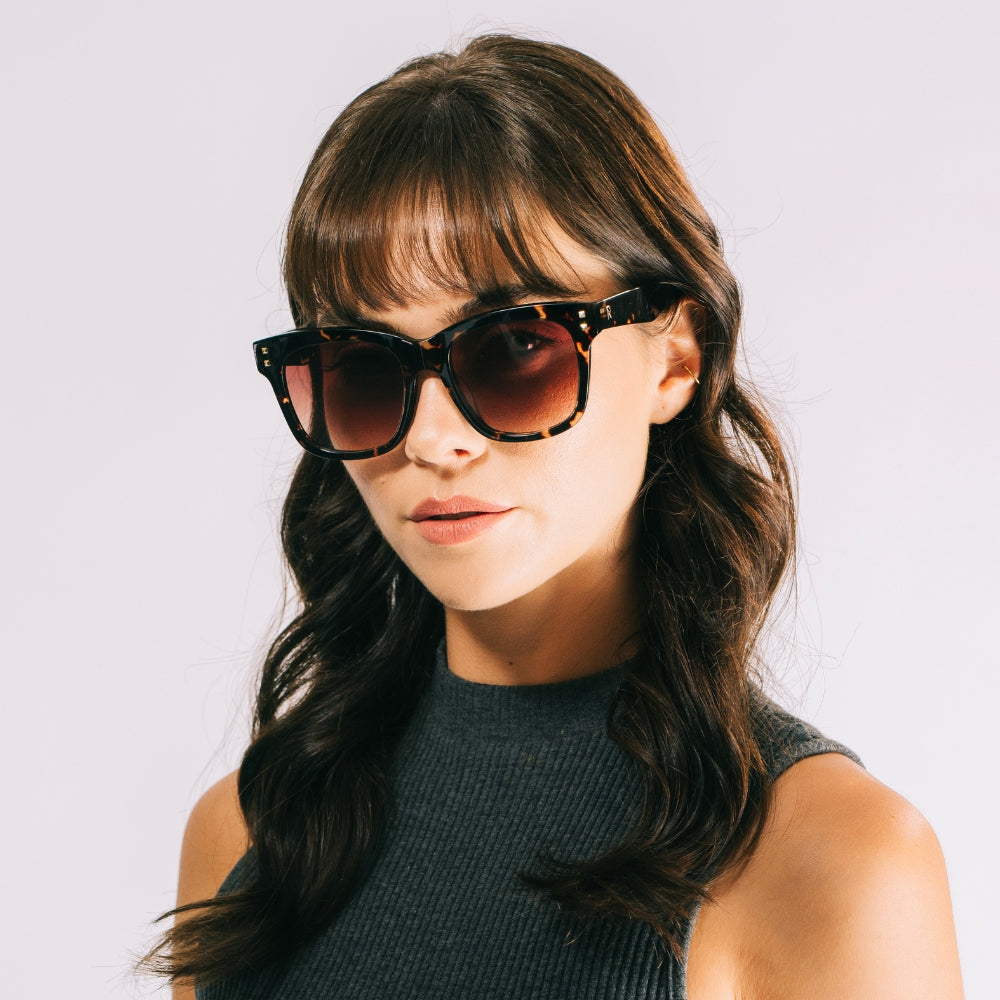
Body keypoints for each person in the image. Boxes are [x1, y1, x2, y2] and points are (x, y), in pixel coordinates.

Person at [148, 34, 963, 1000]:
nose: (434, 440)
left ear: (676, 358)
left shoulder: (830, 864)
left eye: (514, 350)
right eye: (365, 369)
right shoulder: (253, 836)